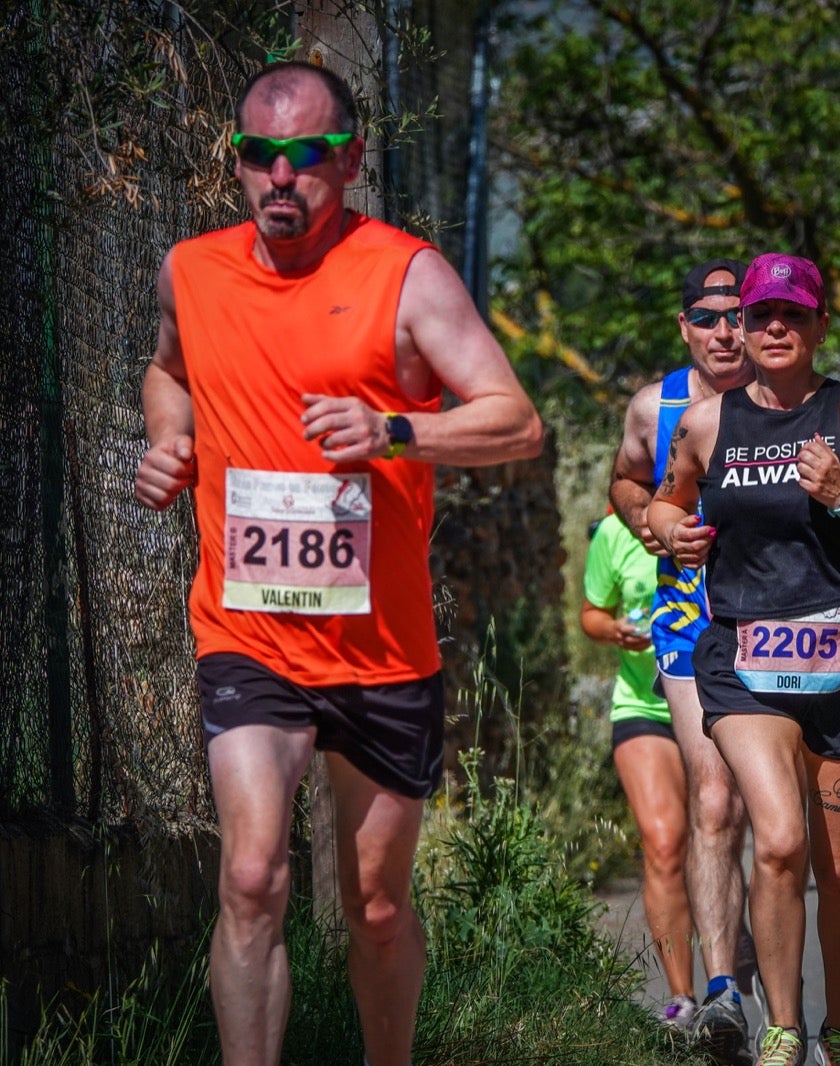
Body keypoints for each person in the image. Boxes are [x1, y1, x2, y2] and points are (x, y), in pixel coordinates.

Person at [133, 61, 543, 1066]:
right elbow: (167, 366)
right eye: (259, 155)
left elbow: (515, 421)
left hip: (380, 648)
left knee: (375, 903)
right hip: (248, 633)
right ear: (235, 161)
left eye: (307, 156)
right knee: (253, 876)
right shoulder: (192, 269)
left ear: (350, 160)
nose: (282, 176)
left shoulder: (405, 274)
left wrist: (394, 430)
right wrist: (167, 438)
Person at [648, 253, 840, 1066]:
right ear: (739, 326)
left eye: (791, 315)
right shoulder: (707, 423)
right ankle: (783, 1026)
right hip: (743, 655)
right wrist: (671, 531)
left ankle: (839, 1023)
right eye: (758, 315)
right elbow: (666, 498)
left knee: (839, 867)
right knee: (776, 840)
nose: (772, 329)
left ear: (818, 326)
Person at [610, 258, 760, 1063]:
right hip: (689, 621)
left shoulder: (791, 395)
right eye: (707, 317)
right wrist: (657, 522)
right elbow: (626, 486)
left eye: (738, 313)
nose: (724, 331)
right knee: (713, 796)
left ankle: (766, 969)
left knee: (772, 820)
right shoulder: (654, 407)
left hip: (782, 623)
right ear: (685, 327)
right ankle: (720, 995)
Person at [579, 511, 696, 1029]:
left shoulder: (714, 512)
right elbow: (591, 612)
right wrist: (614, 630)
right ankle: (683, 1001)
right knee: (665, 844)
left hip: (720, 705)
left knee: (718, 847)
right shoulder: (614, 531)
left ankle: (734, 987)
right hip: (643, 707)